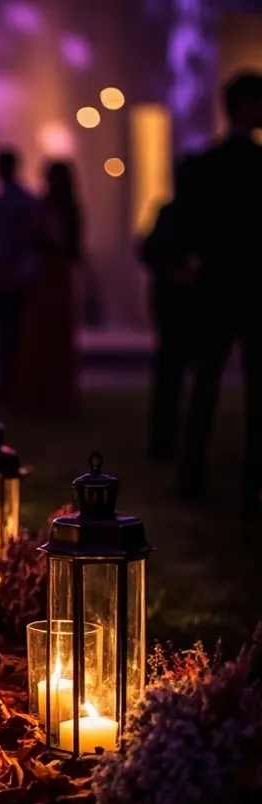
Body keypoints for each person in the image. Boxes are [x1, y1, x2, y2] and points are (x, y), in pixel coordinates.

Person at [172, 73, 262, 516]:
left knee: (205, 384)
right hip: (248, 287)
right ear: (246, 105)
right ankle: (250, 485)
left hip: (215, 287)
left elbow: (185, 223)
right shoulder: (250, 164)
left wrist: (190, 264)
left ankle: (192, 475)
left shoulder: (203, 164)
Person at [11, 160, 84, 414]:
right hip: (47, 275)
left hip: (55, 275)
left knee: (52, 333)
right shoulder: (48, 206)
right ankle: (41, 393)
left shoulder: (61, 208)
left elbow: (68, 245)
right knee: (42, 333)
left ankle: (54, 394)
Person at [140, 157, 201, 461]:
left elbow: (147, 251)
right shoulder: (185, 213)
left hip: (174, 303)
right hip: (182, 304)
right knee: (178, 373)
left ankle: (167, 441)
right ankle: (170, 442)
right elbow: (149, 252)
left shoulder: (169, 212)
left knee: (170, 374)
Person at [0, 148, 39, 401]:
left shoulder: (14, 202)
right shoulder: (20, 201)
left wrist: (7, 265)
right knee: (9, 331)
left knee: (12, 331)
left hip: (15, 273)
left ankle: (12, 384)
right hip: (14, 272)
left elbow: (21, 238)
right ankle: (10, 383)